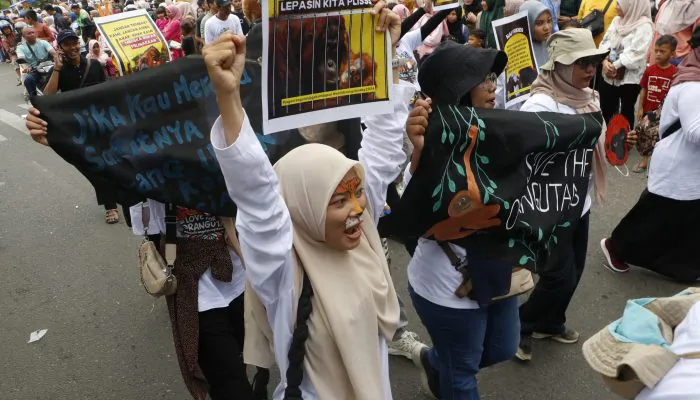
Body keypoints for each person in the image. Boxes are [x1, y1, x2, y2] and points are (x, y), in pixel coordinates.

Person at [206, 3, 409, 399]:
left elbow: (384, 149)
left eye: (356, 194)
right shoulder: (285, 273)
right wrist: (228, 97)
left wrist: (388, 50)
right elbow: (258, 197)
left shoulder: (361, 234)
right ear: (306, 210)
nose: (357, 210)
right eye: (338, 201)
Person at [406, 41, 519, 400]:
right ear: (456, 90)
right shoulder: (429, 141)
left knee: (502, 347)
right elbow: (417, 215)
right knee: (464, 373)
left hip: (496, 272)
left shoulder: (501, 132)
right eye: (483, 79)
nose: (493, 87)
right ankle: (449, 366)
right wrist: (421, 153)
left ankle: (436, 360)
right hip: (448, 284)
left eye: (493, 77)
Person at [516, 28, 614, 362]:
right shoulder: (540, 104)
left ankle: (550, 321)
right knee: (559, 274)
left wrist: (617, 144)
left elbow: (595, 146)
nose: (590, 70)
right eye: (582, 63)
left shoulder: (589, 97)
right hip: (551, 206)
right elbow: (521, 157)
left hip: (579, 202)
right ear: (559, 65)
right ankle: (520, 326)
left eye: (594, 62)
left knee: (576, 271)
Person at [600, 25, 700, 284]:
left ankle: (683, 268)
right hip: (678, 167)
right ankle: (615, 246)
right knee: (652, 218)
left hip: (690, 170)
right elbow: (695, 132)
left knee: (685, 223)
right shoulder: (692, 86)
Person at [598, 0, 653, 125]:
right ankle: (604, 139)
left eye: (619, 4)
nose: (616, 7)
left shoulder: (644, 26)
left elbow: (636, 53)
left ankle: (623, 142)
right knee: (605, 109)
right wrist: (605, 60)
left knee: (626, 113)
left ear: (631, 5)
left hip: (629, 79)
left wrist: (614, 65)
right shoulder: (617, 21)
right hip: (608, 75)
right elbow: (605, 42)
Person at [633, 34, 677, 173]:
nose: (658, 54)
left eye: (662, 51)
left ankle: (659, 165)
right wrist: (640, 108)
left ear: (673, 53)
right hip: (648, 110)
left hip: (664, 113)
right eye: (656, 50)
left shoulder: (674, 73)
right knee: (644, 135)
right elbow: (644, 89)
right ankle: (644, 161)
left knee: (660, 138)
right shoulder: (650, 70)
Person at [647, 0, 700, 65]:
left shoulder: (697, 7)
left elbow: (697, 41)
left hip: (680, 62)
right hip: (657, 60)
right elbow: (656, 33)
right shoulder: (667, 4)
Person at [16, 26, 56, 97]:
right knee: (28, 79)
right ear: (24, 36)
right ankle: (34, 98)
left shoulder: (43, 42)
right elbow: (21, 58)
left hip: (49, 67)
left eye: (33, 32)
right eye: (29, 33)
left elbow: (53, 52)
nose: (32, 34)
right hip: (34, 70)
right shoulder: (20, 47)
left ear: (36, 34)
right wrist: (26, 67)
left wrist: (57, 59)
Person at [521, 0, 554, 68]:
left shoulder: (554, 46)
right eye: (539, 23)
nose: (547, 28)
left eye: (549, 21)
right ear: (527, 24)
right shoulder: (519, 54)